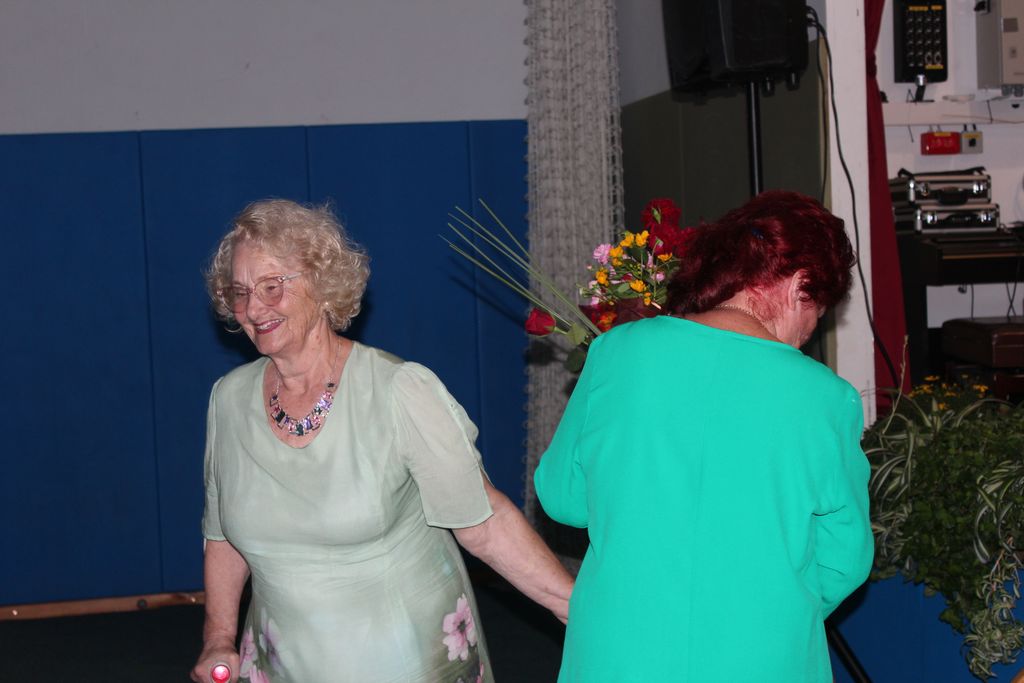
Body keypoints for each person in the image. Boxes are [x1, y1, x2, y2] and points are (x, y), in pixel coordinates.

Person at [190, 199, 573, 683]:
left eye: (272, 286)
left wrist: (576, 608)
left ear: (321, 284)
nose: (253, 307)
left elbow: (485, 523)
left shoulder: (399, 390)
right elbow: (222, 537)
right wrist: (218, 638)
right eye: (240, 292)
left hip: (405, 661)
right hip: (278, 665)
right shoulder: (228, 400)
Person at [534, 190, 874, 682]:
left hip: (621, 652)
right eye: (818, 310)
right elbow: (844, 558)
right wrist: (775, 607)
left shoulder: (616, 351)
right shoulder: (826, 398)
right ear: (800, 283)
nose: (810, 330)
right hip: (761, 658)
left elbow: (564, 498)